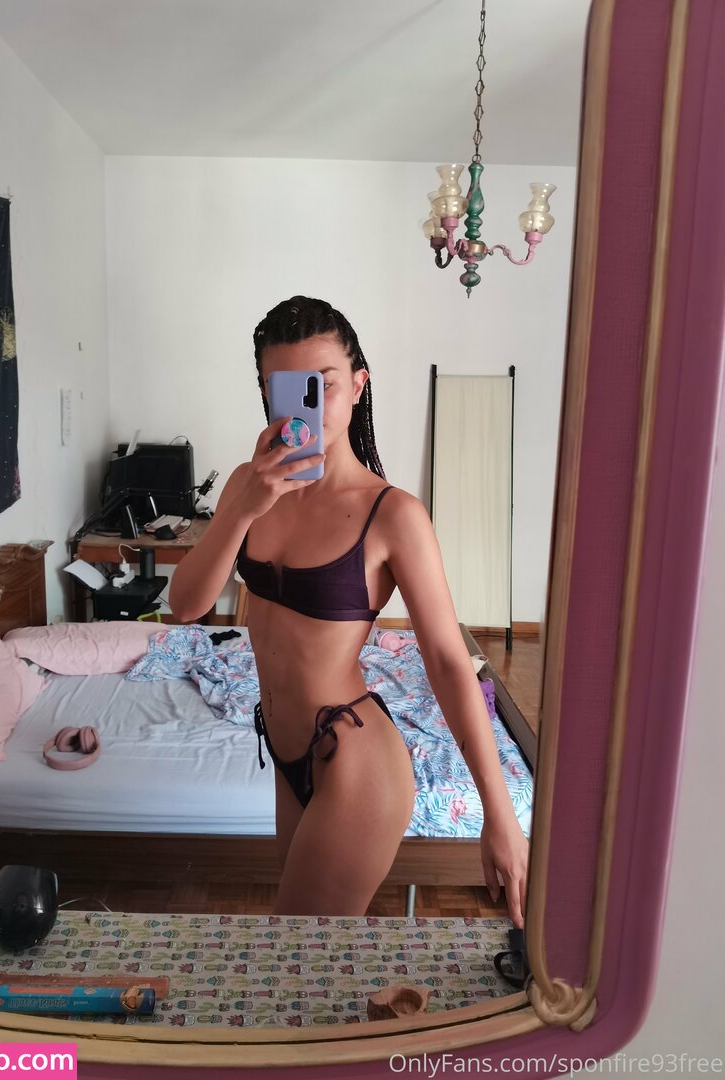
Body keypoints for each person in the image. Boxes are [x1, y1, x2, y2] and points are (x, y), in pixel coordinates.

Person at [170, 296, 528, 925]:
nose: (304, 403)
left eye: (323, 384)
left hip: (356, 763)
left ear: (359, 385)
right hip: (287, 750)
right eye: (284, 387)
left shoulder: (392, 515)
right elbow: (186, 606)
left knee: (295, 951)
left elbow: (449, 661)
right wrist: (242, 509)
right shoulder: (245, 486)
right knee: (309, 952)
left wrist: (498, 814)